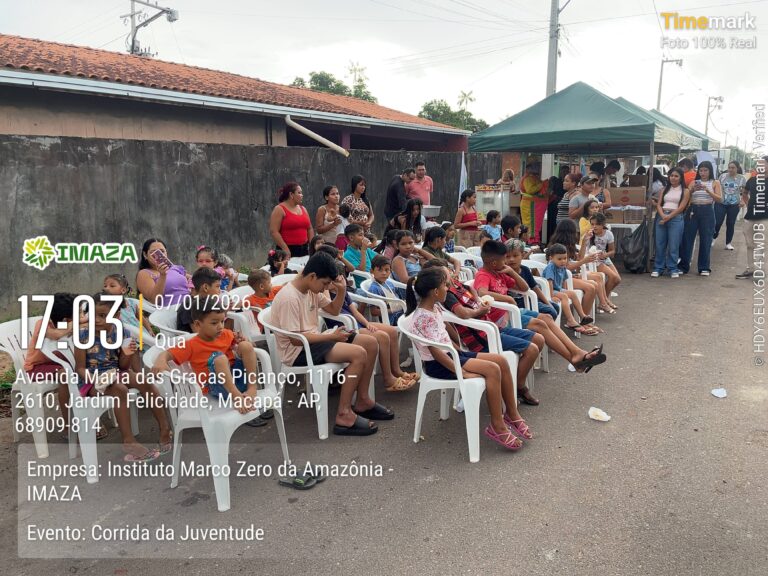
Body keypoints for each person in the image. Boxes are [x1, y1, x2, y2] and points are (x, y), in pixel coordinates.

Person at [405, 267, 528, 450]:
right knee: (493, 369)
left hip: (452, 355)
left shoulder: (433, 307)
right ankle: (497, 426)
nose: (448, 288)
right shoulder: (423, 318)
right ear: (435, 291)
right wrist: (462, 372)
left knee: (500, 361)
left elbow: (445, 331)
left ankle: (511, 413)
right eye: (445, 286)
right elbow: (436, 352)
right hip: (439, 365)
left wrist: (459, 347)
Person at [270, 252, 392, 436]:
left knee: (370, 342)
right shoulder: (290, 297)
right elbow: (295, 339)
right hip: (297, 351)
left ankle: (363, 401)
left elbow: (334, 310)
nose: (326, 288)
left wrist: (341, 290)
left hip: (313, 341)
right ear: (312, 276)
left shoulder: (310, 288)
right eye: (325, 283)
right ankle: (343, 414)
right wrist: (331, 337)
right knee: (359, 354)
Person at [473, 241, 607, 374]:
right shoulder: (483, 275)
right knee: (540, 324)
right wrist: (508, 299)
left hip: (511, 312)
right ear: (494, 263)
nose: (506, 262)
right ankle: (575, 358)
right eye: (504, 259)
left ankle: (576, 353)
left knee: (547, 317)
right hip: (501, 318)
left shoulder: (499, 272)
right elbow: (482, 293)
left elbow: (524, 288)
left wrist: (512, 273)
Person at [77, 292, 171, 462]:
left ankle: (164, 428)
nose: (97, 320)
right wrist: (97, 379)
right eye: (94, 315)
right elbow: (80, 368)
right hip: (91, 381)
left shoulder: (121, 331)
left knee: (143, 381)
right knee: (120, 390)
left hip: (115, 372)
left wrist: (127, 353)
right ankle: (128, 441)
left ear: (117, 316)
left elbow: (122, 366)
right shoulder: (83, 336)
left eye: (104, 316)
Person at [153, 298, 265, 427]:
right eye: (214, 323)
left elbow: (249, 348)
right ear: (198, 325)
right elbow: (167, 353)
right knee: (219, 358)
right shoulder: (191, 345)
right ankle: (238, 398)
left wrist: (245, 342)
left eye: (222, 321)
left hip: (238, 377)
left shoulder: (226, 334)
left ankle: (252, 388)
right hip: (218, 387)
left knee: (246, 346)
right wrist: (161, 361)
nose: (220, 326)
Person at [326, 262, 418, 392]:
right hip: (346, 327)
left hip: (356, 322)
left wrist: (367, 323)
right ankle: (388, 379)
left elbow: (355, 311)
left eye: (337, 280)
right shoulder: (326, 294)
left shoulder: (343, 291)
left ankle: (396, 370)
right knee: (382, 336)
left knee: (391, 331)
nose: (333, 284)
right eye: (330, 281)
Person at [24, 292, 83, 435]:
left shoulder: (70, 323)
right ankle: (67, 425)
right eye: (79, 314)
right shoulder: (43, 324)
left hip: (60, 363)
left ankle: (87, 418)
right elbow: (55, 335)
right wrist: (74, 325)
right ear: (66, 318)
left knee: (82, 369)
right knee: (66, 375)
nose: (83, 316)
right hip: (36, 368)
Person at [550, 219, 610, 317]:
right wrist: (584, 261)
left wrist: (584, 241)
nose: (576, 233)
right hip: (561, 279)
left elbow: (579, 258)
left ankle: (586, 317)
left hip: (567, 275)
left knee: (594, 284)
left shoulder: (566, 244)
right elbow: (567, 267)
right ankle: (584, 318)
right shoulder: (559, 247)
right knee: (591, 287)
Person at [678, 160, 722, 276]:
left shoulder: (715, 182)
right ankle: (683, 265)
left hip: (707, 210)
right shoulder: (693, 182)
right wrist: (693, 190)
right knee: (687, 239)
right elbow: (686, 196)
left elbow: (719, 199)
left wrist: (707, 190)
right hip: (693, 210)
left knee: (706, 239)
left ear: (710, 171)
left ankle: (704, 267)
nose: (703, 173)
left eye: (705, 170)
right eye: (701, 170)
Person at [542, 244, 594, 332]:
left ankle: (583, 316)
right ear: (551, 258)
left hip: (557, 290)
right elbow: (549, 282)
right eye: (559, 259)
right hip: (547, 290)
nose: (563, 261)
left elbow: (564, 280)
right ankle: (570, 320)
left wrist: (565, 290)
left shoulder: (562, 267)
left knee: (572, 294)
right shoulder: (550, 267)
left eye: (565, 258)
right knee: (564, 296)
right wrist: (551, 296)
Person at [505, 240, 560, 320]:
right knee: (551, 311)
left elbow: (535, 288)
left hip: (532, 300)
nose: (511, 259)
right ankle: (543, 329)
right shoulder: (505, 273)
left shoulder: (525, 270)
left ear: (522, 255)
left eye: (515, 255)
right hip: (521, 304)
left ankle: (547, 327)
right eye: (508, 256)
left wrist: (548, 303)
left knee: (555, 307)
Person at [652, 167, 690, 278]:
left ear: (681, 178)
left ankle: (672, 267)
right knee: (659, 244)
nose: (673, 178)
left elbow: (682, 207)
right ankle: (658, 267)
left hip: (676, 217)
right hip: (662, 216)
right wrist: (663, 215)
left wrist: (668, 217)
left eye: (676, 176)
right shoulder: (664, 189)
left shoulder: (685, 191)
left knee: (674, 245)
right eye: (671, 175)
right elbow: (659, 204)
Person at [736, 156, 768, 279]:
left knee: (762, 244)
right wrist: (748, 204)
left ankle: (759, 270)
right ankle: (751, 269)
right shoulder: (752, 180)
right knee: (750, 244)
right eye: (758, 164)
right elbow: (745, 193)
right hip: (750, 216)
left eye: (763, 164)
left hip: (765, 217)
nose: (760, 166)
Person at [136, 238, 190, 307]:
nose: (159, 255)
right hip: (170, 310)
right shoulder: (144, 273)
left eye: (162, 251)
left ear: (166, 253)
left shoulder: (175, 268)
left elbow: (196, 279)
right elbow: (154, 300)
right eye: (154, 252)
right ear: (145, 255)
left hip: (190, 304)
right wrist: (162, 275)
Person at [269, 181, 313, 258]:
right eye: (299, 193)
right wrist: (285, 248)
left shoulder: (303, 209)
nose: (302, 195)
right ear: (291, 194)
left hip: (305, 249)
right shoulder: (279, 209)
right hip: (288, 249)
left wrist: (312, 246)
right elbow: (274, 231)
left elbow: (310, 228)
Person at [584, 213, 622, 296]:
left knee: (618, 279)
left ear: (603, 224)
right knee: (613, 277)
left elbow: (612, 251)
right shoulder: (589, 234)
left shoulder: (608, 234)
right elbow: (585, 252)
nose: (594, 226)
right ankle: (605, 299)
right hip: (594, 260)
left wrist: (605, 255)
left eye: (597, 224)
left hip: (604, 258)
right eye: (592, 224)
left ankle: (603, 295)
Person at [177, 267, 223, 333]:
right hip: (191, 339)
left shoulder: (205, 302)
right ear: (205, 287)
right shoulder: (189, 304)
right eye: (217, 286)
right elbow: (198, 332)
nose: (219, 291)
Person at [714, 161, 747, 250]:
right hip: (721, 203)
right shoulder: (722, 176)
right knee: (717, 222)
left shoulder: (741, 178)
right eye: (729, 167)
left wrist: (743, 201)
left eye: (733, 168)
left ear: (737, 168)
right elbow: (716, 188)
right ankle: (714, 236)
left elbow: (745, 192)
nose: (731, 169)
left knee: (731, 223)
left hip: (734, 204)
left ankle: (728, 243)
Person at [367, 255, 407, 325]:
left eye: (387, 270)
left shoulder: (389, 283)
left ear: (390, 271)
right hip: (391, 319)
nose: (384, 273)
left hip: (400, 313)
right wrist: (393, 310)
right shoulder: (374, 289)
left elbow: (396, 299)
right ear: (372, 271)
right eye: (380, 270)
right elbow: (374, 312)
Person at [520, 163, 548, 244]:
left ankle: (533, 241)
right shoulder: (528, 178)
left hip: (533, 204)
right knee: (532, 226)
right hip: (531, 205)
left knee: (534, 226)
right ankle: (532, 242)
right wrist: (541, 184)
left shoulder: (532, 177)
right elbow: (530, 190)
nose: (539, 169)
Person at [547, 165, 570, 239]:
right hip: (553, 205)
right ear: (560, 172)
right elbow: (550, 191)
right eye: (563, 171)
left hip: (562, 208)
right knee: (551, 223)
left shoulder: (569, 186)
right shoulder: (555, 180)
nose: (564, 173)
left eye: (566, 172)